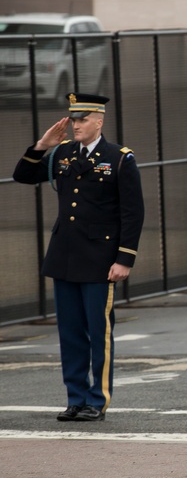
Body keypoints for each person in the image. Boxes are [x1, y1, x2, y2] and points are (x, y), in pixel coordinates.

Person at [13, 93, 144, 422]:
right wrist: (42, 144)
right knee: (70, 333)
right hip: (65, 257)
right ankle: (75, 398)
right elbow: (23, 175)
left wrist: (124, 259)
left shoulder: (118, 158)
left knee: (98, 333)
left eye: (82, 120)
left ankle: (96, 400)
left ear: (99, 121)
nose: (75, 125)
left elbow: (132, 213)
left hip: (100, 260)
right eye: (73, 120)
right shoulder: (62, 154)